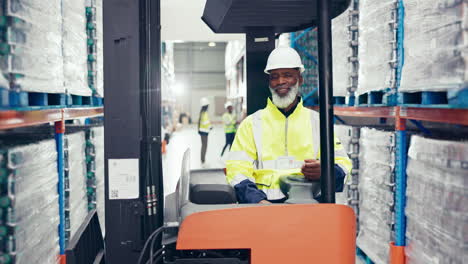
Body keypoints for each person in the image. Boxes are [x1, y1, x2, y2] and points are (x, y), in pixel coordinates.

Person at [225, 46, 352, 204]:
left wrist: (325, 171)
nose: (280, 81)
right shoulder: (251, 124)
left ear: (300, 79)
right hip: (264, 208)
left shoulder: (318, 122)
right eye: (274, 76)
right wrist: (257, 201)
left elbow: (344, 165)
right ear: (269, 82)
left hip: (310, 208)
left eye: (287, 75)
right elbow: (237, 169)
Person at [198, 97, 212, 164]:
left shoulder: (202, 112)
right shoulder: (205, 113)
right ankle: (203, 160)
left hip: (202, 131)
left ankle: (202, 159)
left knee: (203, 145)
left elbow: (201, 122)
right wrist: (210, 127)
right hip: (204, 132)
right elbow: (206, 122)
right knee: (204, 146)